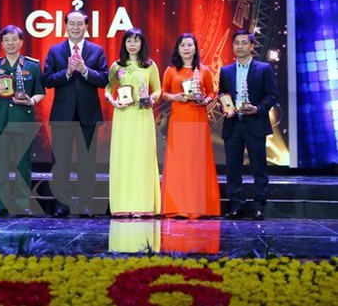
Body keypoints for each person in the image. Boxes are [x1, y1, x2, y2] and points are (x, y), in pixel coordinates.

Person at [43, 9, 108, 217]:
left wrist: (85, 71)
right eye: (72, 23)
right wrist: (68, 72)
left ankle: (86, 203)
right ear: (66, 26)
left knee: (87, 162)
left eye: (80, 24)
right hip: (62, 115)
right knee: (61, 161)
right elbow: (47, 80)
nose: (76, 27)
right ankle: (62, 203)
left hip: (88, 115)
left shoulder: (97, 51)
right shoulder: (55, 51)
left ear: (87, 26)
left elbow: (105, 79)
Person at [0, 25, 45, 216]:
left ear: (21, 42)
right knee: (0, 164)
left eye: (14, 39)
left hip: (22, 120)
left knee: (22, 164)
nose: (10, 43)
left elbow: (40, 92)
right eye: (6, 40)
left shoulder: (32, 65)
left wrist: (30, 101)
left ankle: (22, 203)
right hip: (0, 120)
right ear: (2, 43)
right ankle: (1, 203)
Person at [219, 29, 278, 221]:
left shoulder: (263, 68)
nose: (240, 46)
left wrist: (258, 108)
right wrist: (225, 108)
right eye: (237, 43)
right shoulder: (226, 70)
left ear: (252, 46)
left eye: (244, 43)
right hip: (233, 125)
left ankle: (259, 207)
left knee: (259, 168)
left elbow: (272, 94)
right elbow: (223, 96)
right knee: (233, 168)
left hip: (255, 123)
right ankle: (236, 206)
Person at [160, 33, 220, 218]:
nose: (186, 48)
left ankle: (199, 206)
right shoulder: (171, 70)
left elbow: (212, 92)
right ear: (178, 49)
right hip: (179, 118)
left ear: (195, 48)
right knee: (180, 161)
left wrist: (205, 100)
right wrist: (174, 97)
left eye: (190, 45)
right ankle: (176, 206)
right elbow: (163, 93)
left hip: (197, 117)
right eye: (182, 45)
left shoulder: (204, 70)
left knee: (197, 161)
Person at [104, 27, 161, 217]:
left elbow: (158, 90)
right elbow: (107, 89)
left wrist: (151, 99)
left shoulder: (150, 65)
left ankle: (142, 206)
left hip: (143, 117)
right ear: (124, 44)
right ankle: (122, 206)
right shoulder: (116, 66)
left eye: (136, 40)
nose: (133, 44)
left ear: (142, 43)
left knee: (141, 159)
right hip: (123, 116)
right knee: (124, 158)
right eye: (129, 41)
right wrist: (114, 102)